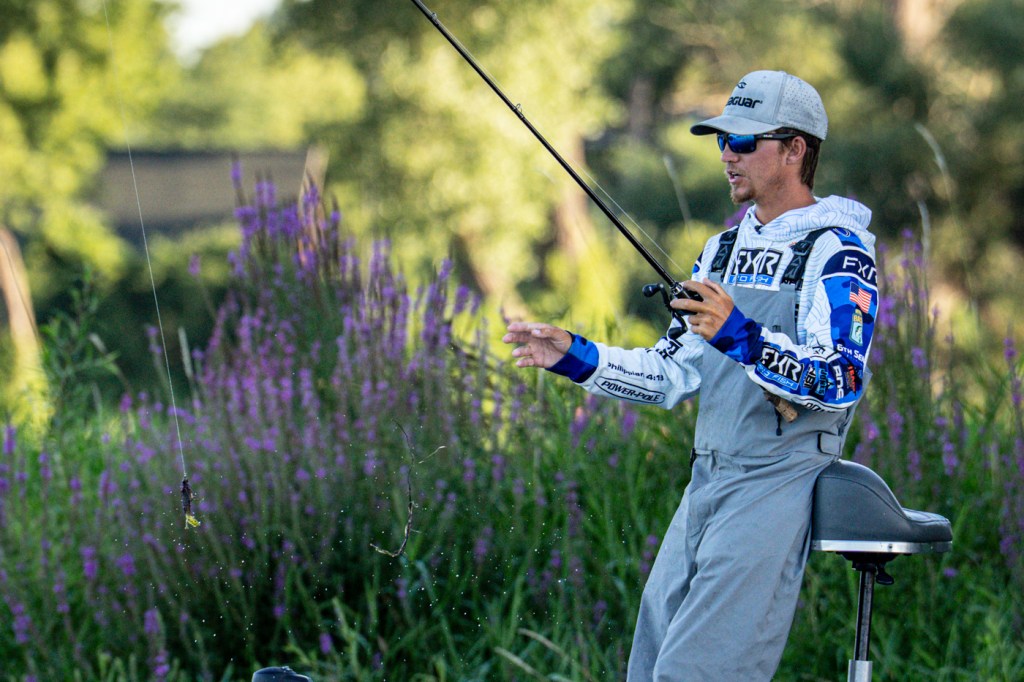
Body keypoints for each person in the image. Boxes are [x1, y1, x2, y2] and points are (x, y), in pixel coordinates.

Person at [502, 70, 878, 680]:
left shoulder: (840, 253)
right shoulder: (720, 251)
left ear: (794, 150)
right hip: (705, 479)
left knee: (695, 673)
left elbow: (840, 381)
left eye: (744, 140)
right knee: (649, 665)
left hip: (774, 486)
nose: (727, 154)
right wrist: (573, 356)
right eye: (722, 140)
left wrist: (740, 335)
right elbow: (668, 375)